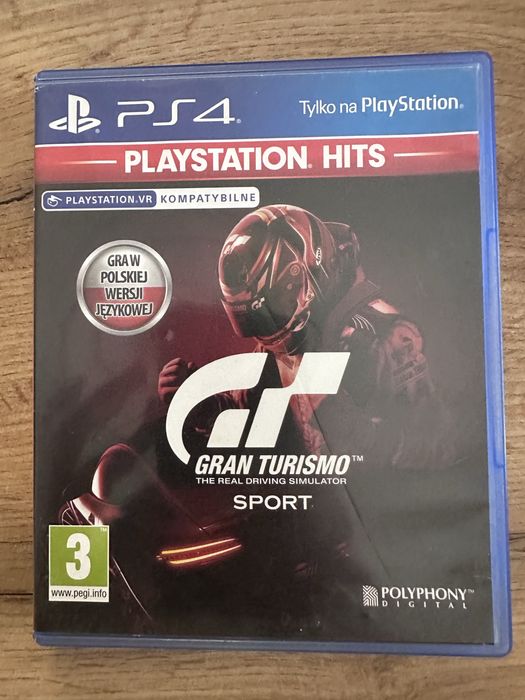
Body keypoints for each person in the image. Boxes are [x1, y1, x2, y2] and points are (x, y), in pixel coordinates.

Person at [159, 204, 449, 469]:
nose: (263, 332)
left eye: (270, 310)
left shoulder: (388, 338)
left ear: (303, 281)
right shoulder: (291, 334)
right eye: (254, 318)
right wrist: (207, 407)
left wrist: (362, 436)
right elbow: (261, 400)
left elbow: (442, 448)